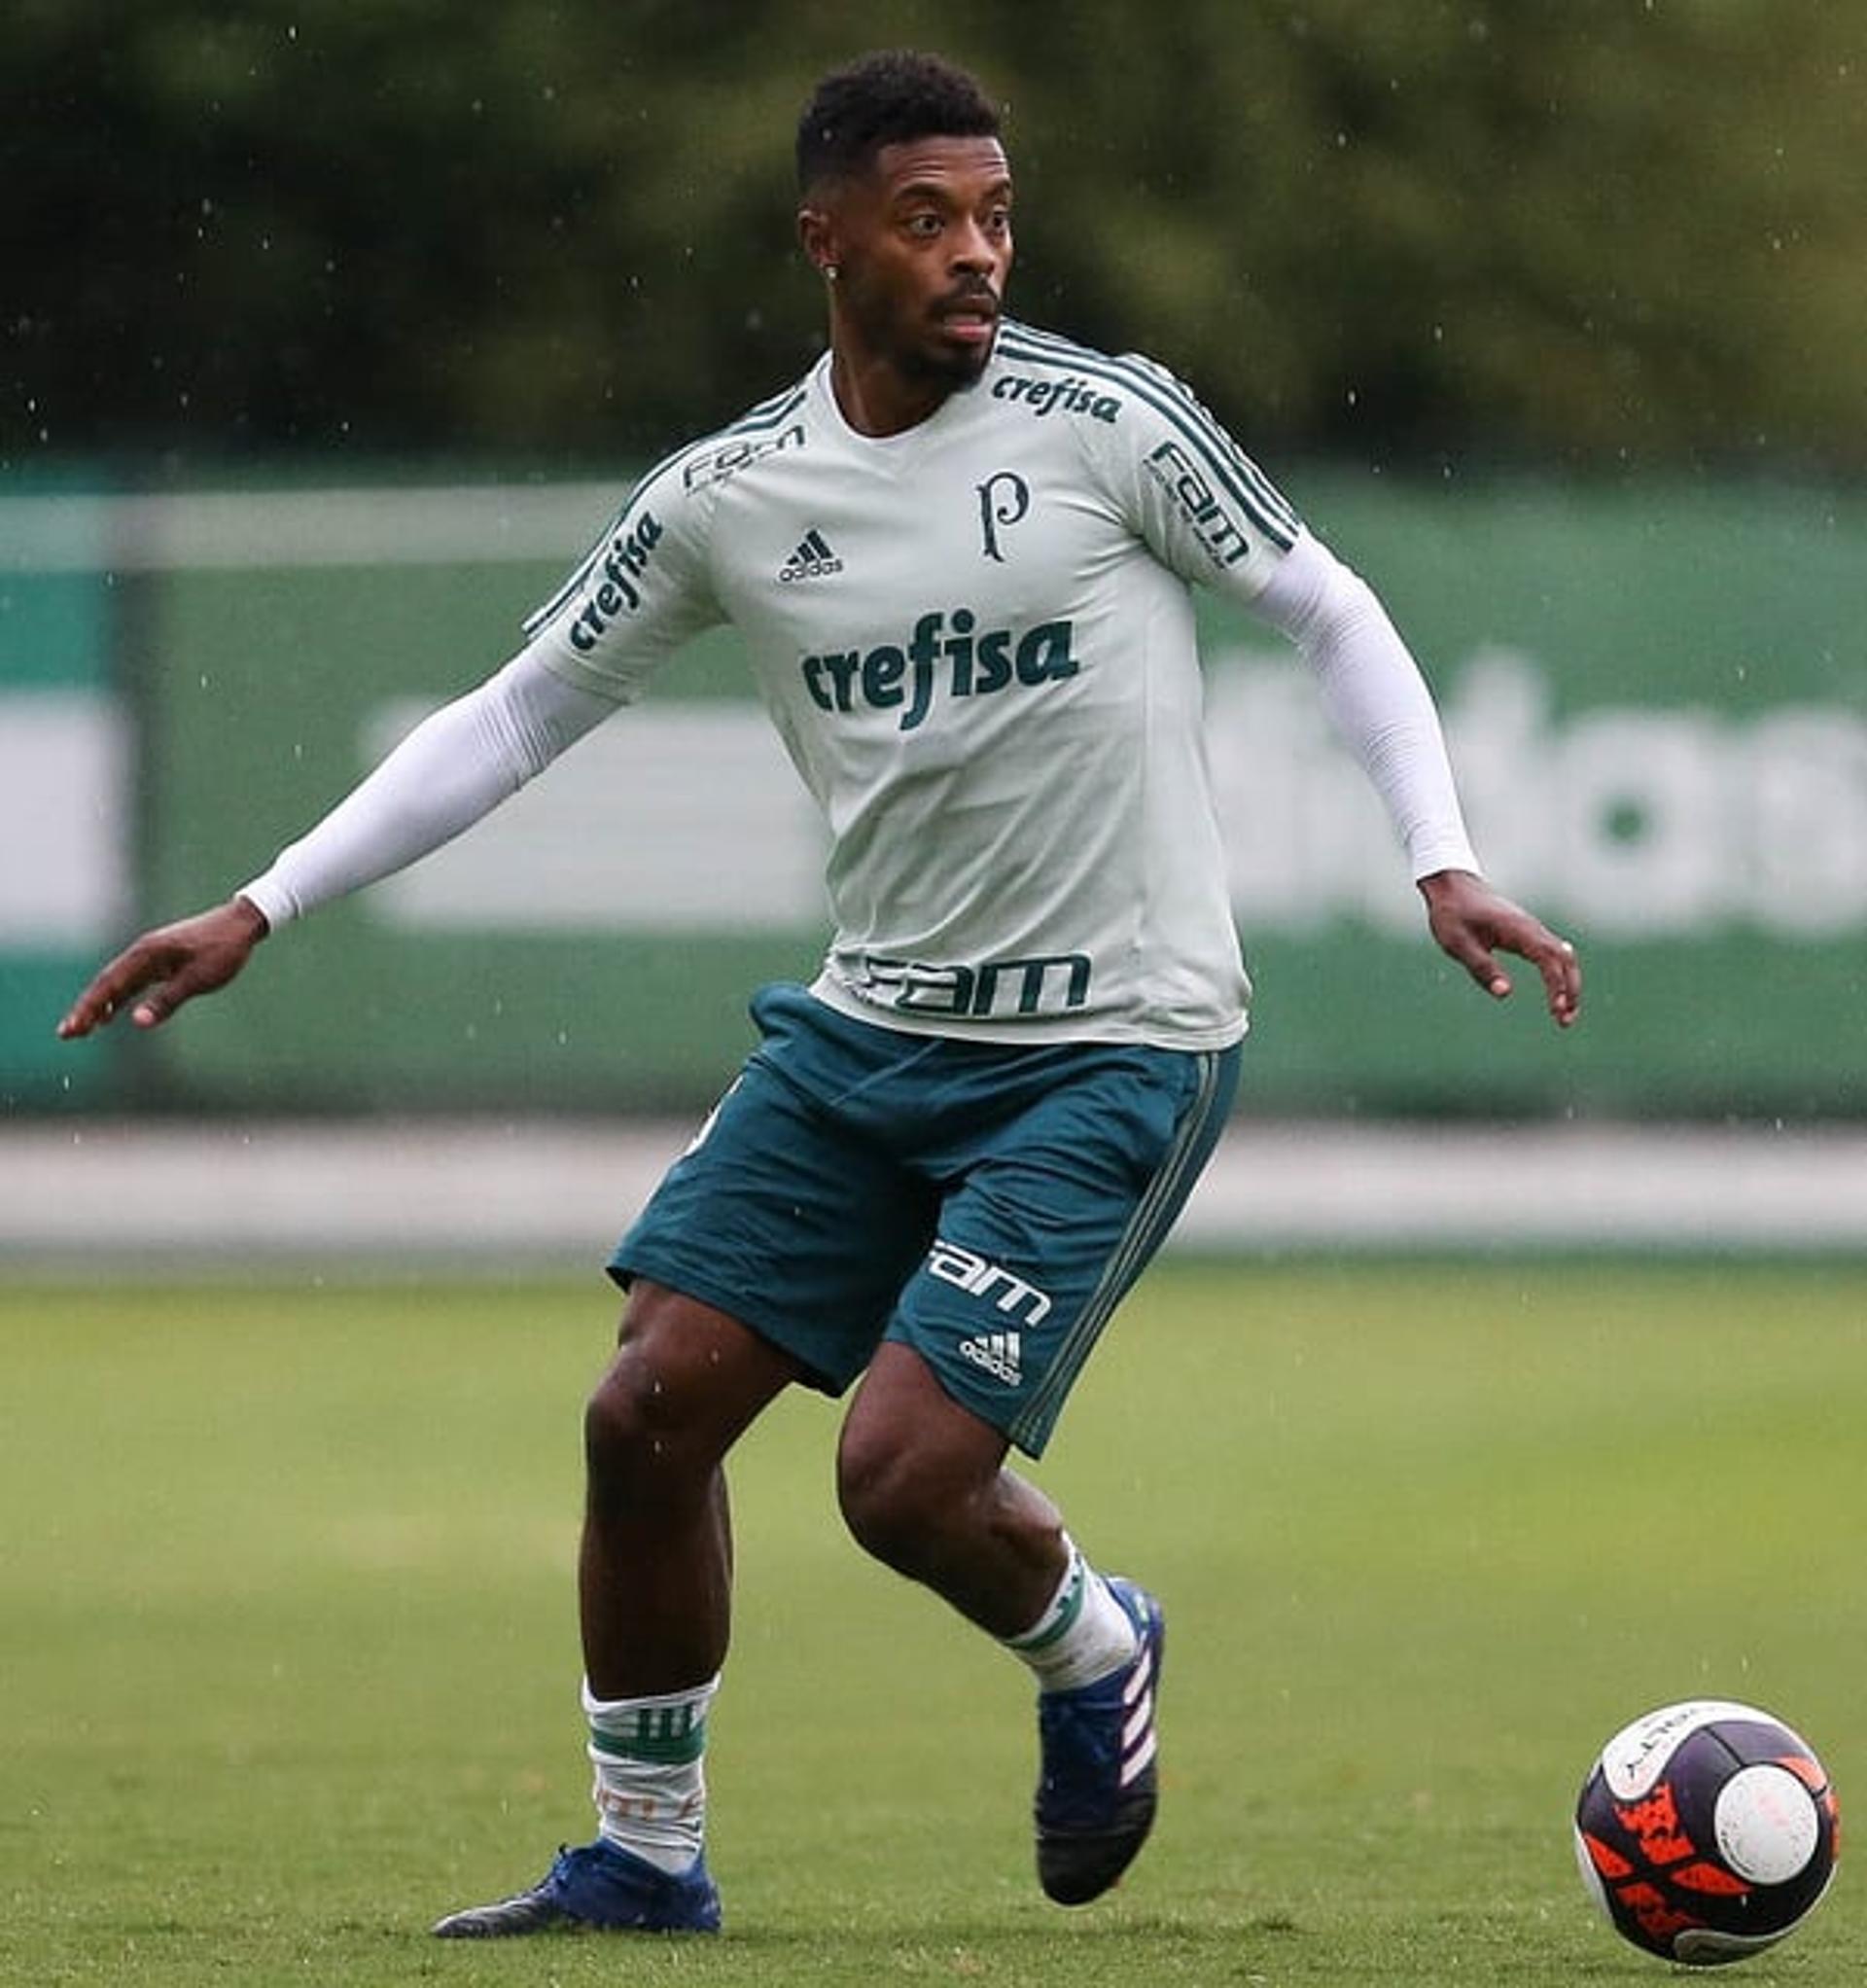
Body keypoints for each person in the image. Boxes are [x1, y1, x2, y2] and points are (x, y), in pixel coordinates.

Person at [59, 49, 1581, 1937]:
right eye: (929, 219)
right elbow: (523, 709)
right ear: (826, 239)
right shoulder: (728, 494)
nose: (977, 255)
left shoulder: (1107, 426)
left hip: (1112, 1037)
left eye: (998, 217)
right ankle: (644, 1849)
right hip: (871, 1029)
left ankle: (1097, 1643)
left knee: (895, 1477)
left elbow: (1328, 609)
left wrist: (1438, 850)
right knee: (643, 1417)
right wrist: (265, 904)